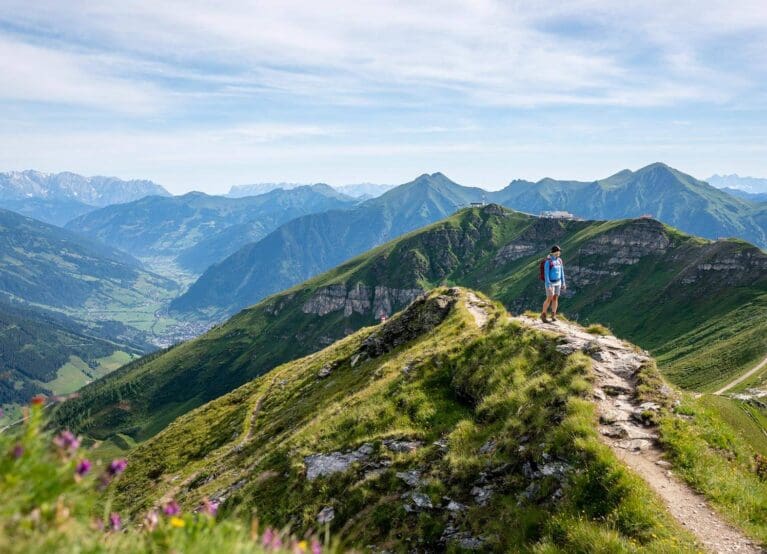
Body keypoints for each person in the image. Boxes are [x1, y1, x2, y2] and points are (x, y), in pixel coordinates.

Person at [541, 245, 565, 323]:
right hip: (551, 283)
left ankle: (553, 315)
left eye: (559, 251)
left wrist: (563, 282)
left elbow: (562, 272)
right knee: (549, 298)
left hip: (558, 282)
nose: (559, 253)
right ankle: (543, 315)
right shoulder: (548, 261)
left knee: (555, 298)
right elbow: (546, 274)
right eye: (558, 251)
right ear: (554, 252)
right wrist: (549, 285)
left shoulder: (559, 261)